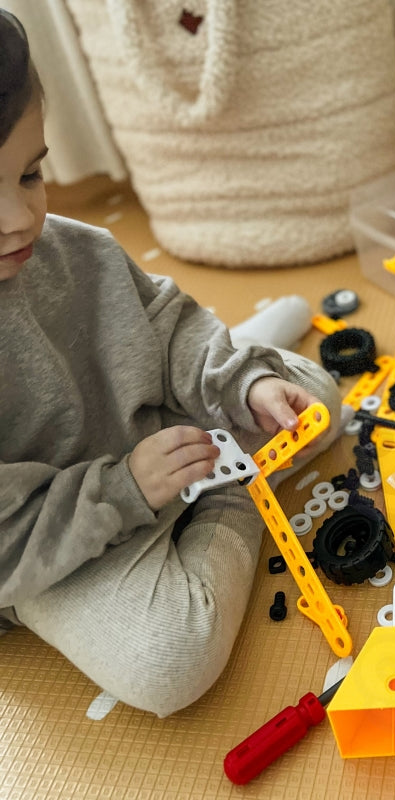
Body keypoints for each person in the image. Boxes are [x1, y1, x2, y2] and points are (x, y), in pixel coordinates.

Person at [0, 9, 345, 717]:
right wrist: (127, 488)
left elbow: (160, 320)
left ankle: (247, 369)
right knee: (168, 664)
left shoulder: (70, 248)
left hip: (153, 431)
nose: (18, 218)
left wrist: (243, 383)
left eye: (30, 174)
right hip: (56, 540)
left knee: (316, 402)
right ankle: (233, 485)